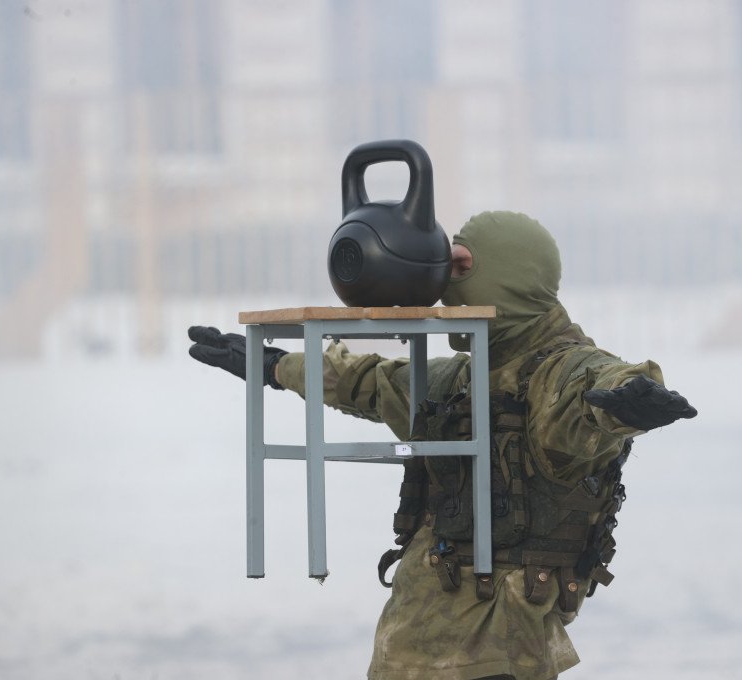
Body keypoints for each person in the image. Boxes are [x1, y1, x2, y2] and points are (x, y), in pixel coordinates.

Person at [188, 211, 696, 680]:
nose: (445, 277)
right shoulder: (465, 373)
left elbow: (591, 391)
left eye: (461, 264)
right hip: (415, 648)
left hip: (495, 649)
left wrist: (629, 400)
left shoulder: (557, 370)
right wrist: (276, 366)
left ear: (509, 273)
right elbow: (373, 382)